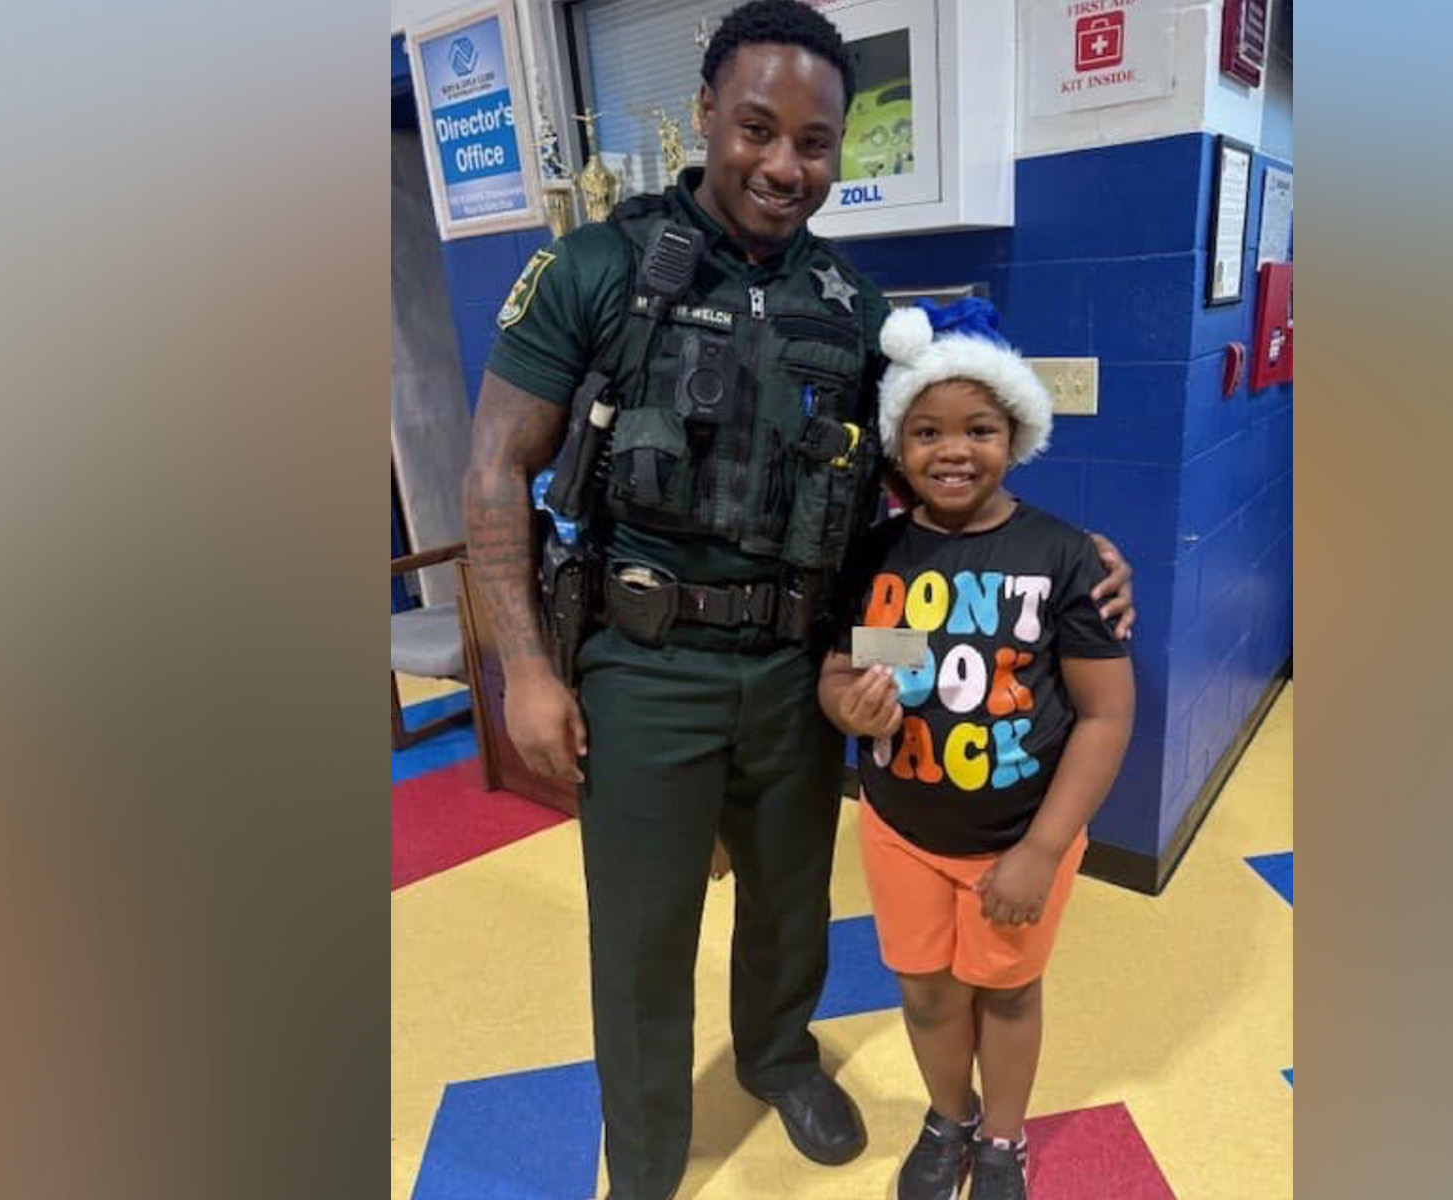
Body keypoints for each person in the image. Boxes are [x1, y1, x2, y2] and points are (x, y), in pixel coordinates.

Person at [461, 4, 1133, 1198]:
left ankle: (777, 1056)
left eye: (814, 142)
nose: (783, 164)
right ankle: (651, 1157)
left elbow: (933, 482)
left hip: (797, 670)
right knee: (641, 937)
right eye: (757, 129)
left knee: (790, 905)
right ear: (707, 111)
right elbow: (492, 468)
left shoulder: (859, 312)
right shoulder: (600, 268)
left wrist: (1080, 556)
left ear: (838, 152)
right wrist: (523, 667)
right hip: (641, 659)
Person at [818, 299, 1137, 1200]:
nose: (952, 450)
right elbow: (849, 670)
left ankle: (1002, 1138)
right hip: (901, 827)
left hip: (1019, 839)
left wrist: (1041, 851)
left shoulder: (1063, 556)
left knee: (1006, 994)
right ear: (897, 445)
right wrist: (853, 707)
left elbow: (1106, 716)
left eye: (979, 429)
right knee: (924, 992)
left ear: (1017, 432)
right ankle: (947, 1114)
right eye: (926, 431)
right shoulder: (878, 553)